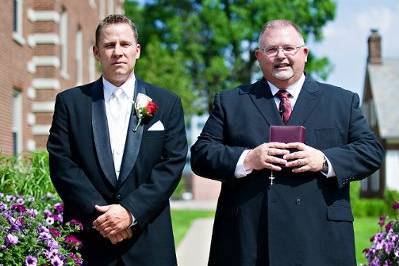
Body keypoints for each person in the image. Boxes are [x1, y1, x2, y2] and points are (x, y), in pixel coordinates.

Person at [190, 19, 384, 266]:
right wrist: (247, 159)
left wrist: (324, 160)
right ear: (259, 57)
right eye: (271, 50)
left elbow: (371, 151)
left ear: (304, 53)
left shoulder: (341, 102)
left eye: (288, 48)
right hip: (249, 241)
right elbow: (200, 154)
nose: (280, 56)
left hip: (320, 241)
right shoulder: (231, 102)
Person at [47, 14, 187, 266]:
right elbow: (62, 164)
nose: (118, 52)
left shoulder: (167, 102)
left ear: (137, 50)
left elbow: (171, 164)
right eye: (109, 45)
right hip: (89, 241)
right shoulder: (70, 103)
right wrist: (103, 218)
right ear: (96, 52)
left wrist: (130, 212)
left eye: (125, 44)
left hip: (148, 240)